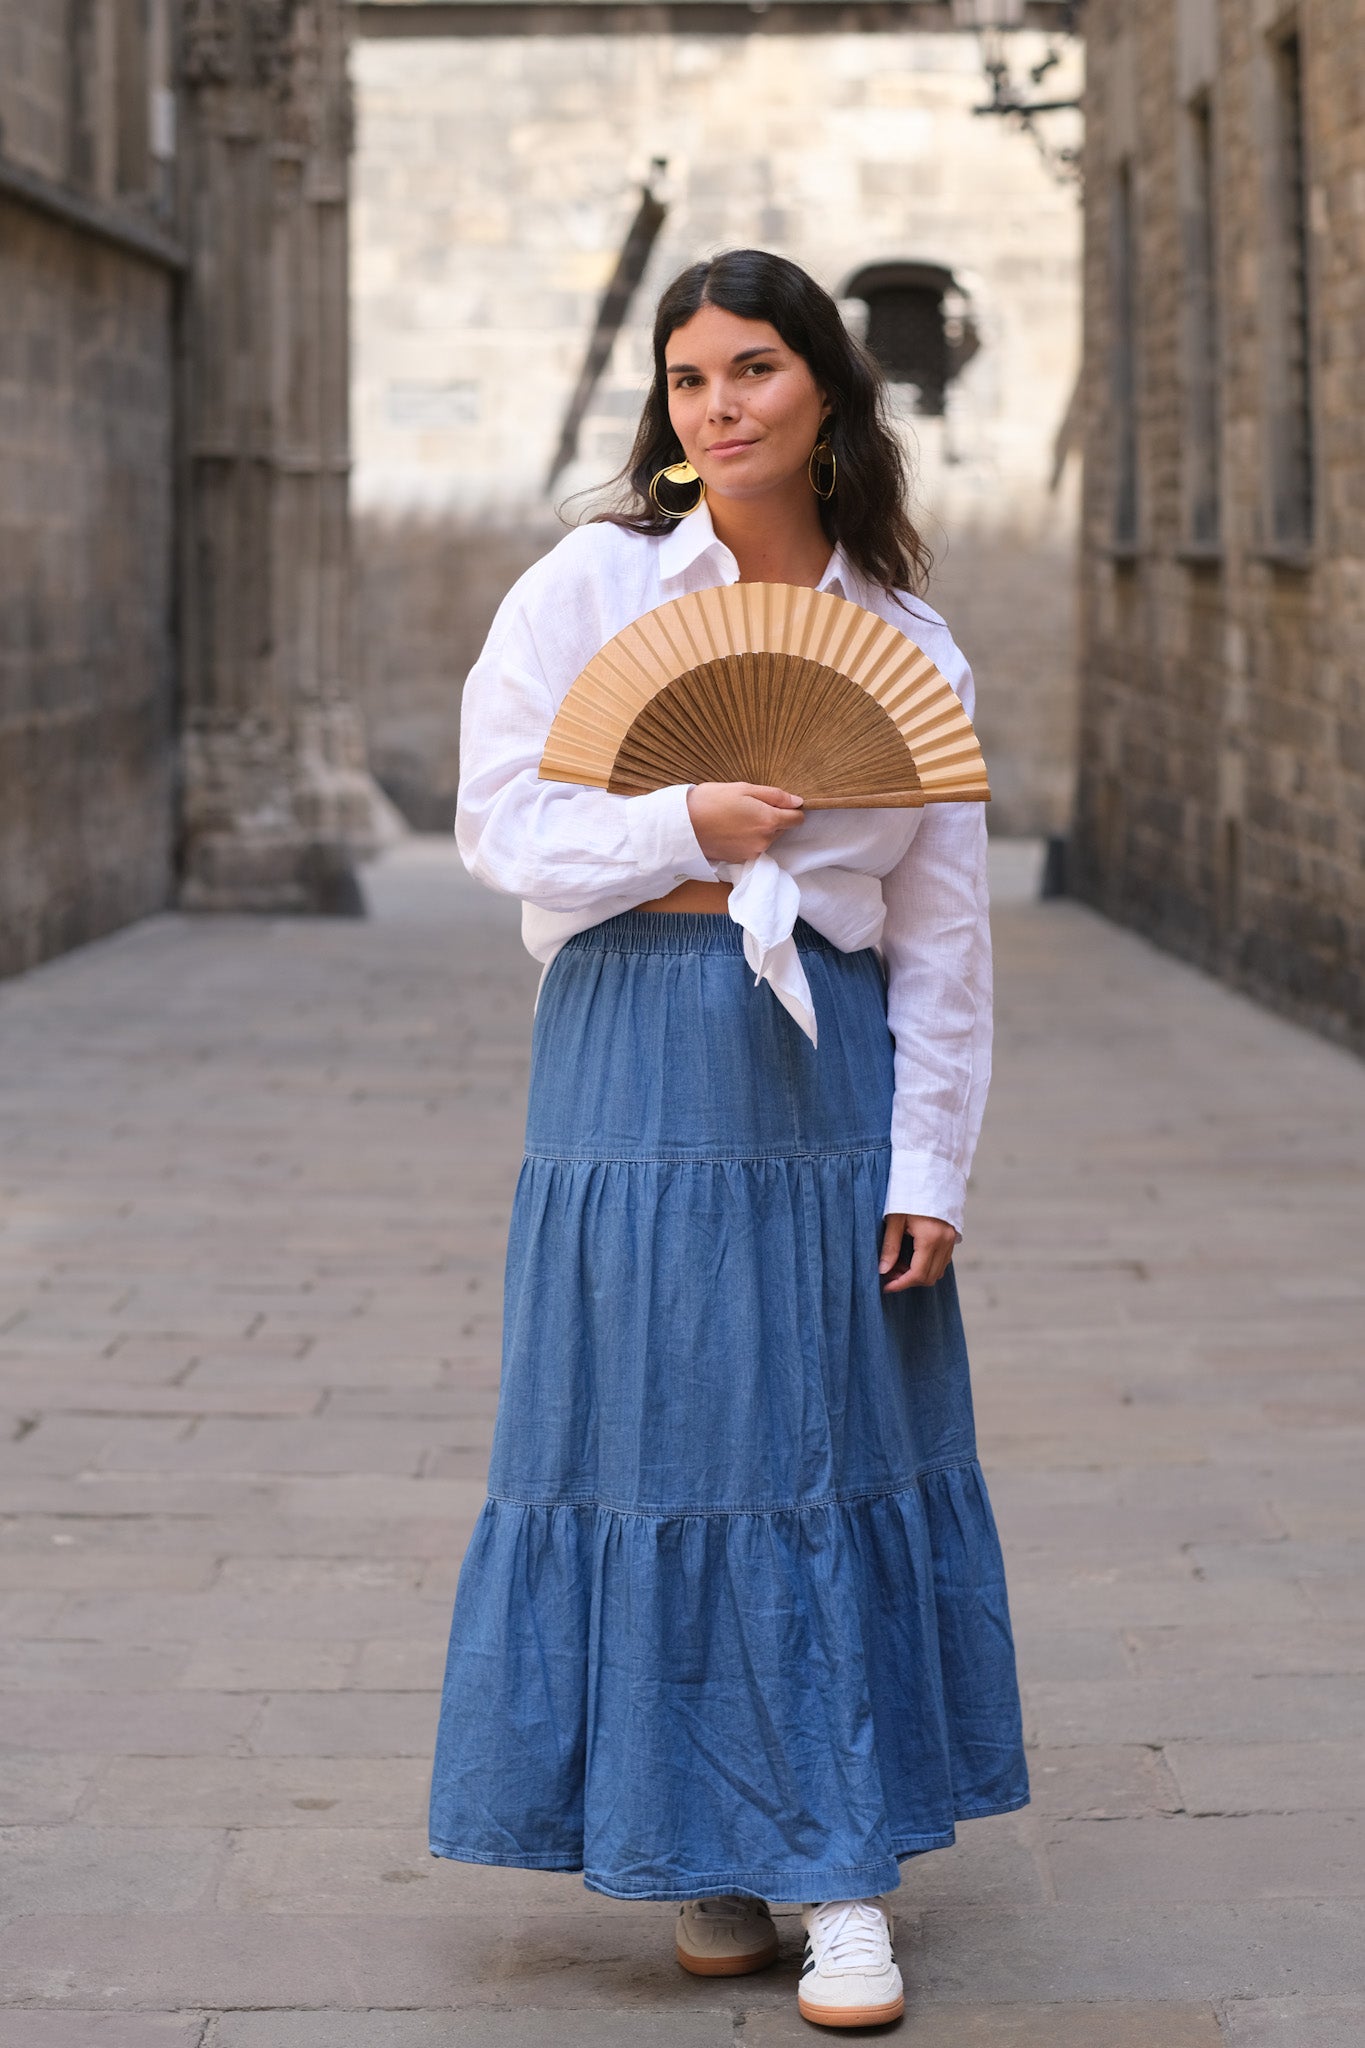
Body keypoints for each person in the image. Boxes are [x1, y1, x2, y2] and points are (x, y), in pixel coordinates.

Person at [429, 248, 1028, 2032]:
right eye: (690, 379)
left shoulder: (908, 643)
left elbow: (941, 940)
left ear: (827, 393)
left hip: (815, 1068)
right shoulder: (592, 584)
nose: (721, 404)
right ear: (666, 411)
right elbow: (497, 824)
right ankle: (697, 1846)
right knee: (656, 1440)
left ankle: (838, 1875)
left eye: (755, 369)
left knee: (814, 1447)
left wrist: (930, 1168)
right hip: (624, 1068)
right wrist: (677, 815)